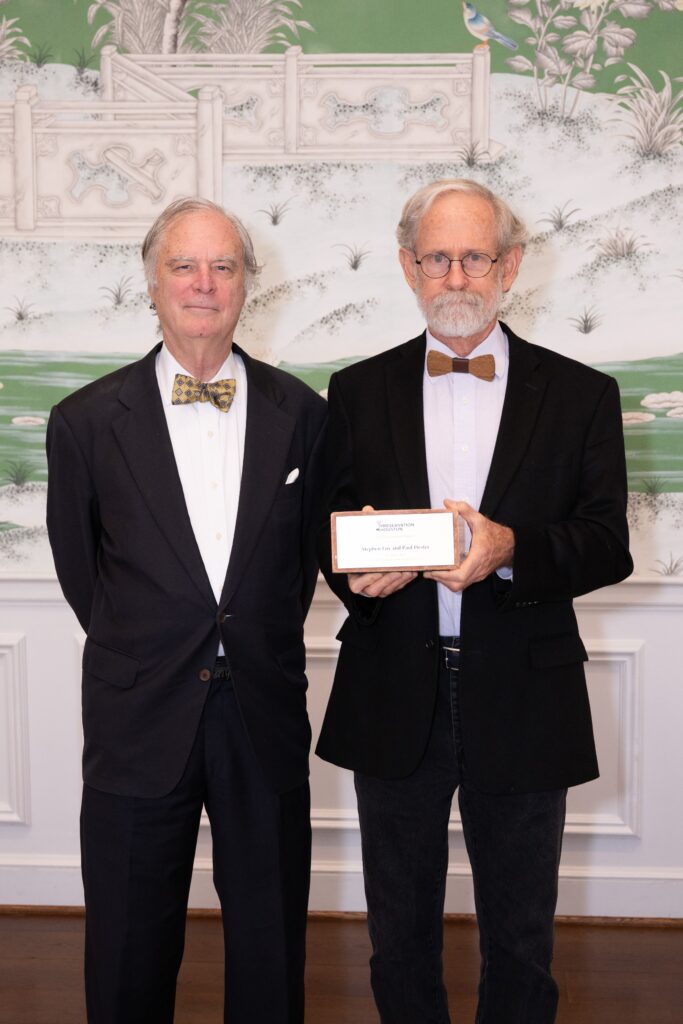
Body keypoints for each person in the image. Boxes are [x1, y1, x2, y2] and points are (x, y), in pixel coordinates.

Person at [315, 178, 633, 1023]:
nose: (455, 277)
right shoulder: (354, 390)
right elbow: (328, 529)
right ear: (407, 267)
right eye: (436, 258)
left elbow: (608, 543)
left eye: (474, 258)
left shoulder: (581, 394)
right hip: (392, 691)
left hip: (526, 693)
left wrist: (509, 549)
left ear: (510, 265)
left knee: (522, 941)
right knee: (397, 937)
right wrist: (354, 569)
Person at [46, 197, 327, 1024]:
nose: (203, 285)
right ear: (152, 282)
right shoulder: (86, 421)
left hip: (263, 716)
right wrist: (154, 644)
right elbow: (81, 573)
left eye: (223, 267)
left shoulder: (304, 416)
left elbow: (306, 559)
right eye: (184, 266)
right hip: (139, 716)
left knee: (272, 953)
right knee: (129, 951)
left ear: (246, 286)